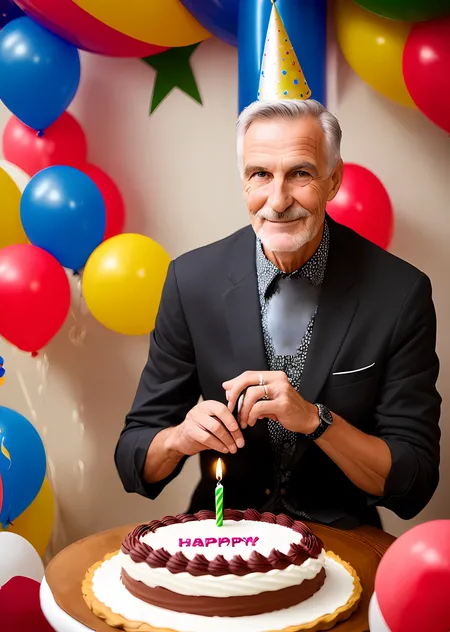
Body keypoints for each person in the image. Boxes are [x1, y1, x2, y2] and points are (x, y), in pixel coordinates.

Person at [114, 99, 441, 529]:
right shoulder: (190, 281)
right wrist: (180, 438)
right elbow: (132, 457)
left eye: (301, 173)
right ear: (244, 181)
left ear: (334, 179)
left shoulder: (400, 294)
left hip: (342, 538)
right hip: (222, 534)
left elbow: (414, 480)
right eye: (260, 175)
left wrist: (315, 420)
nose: (278, 199)